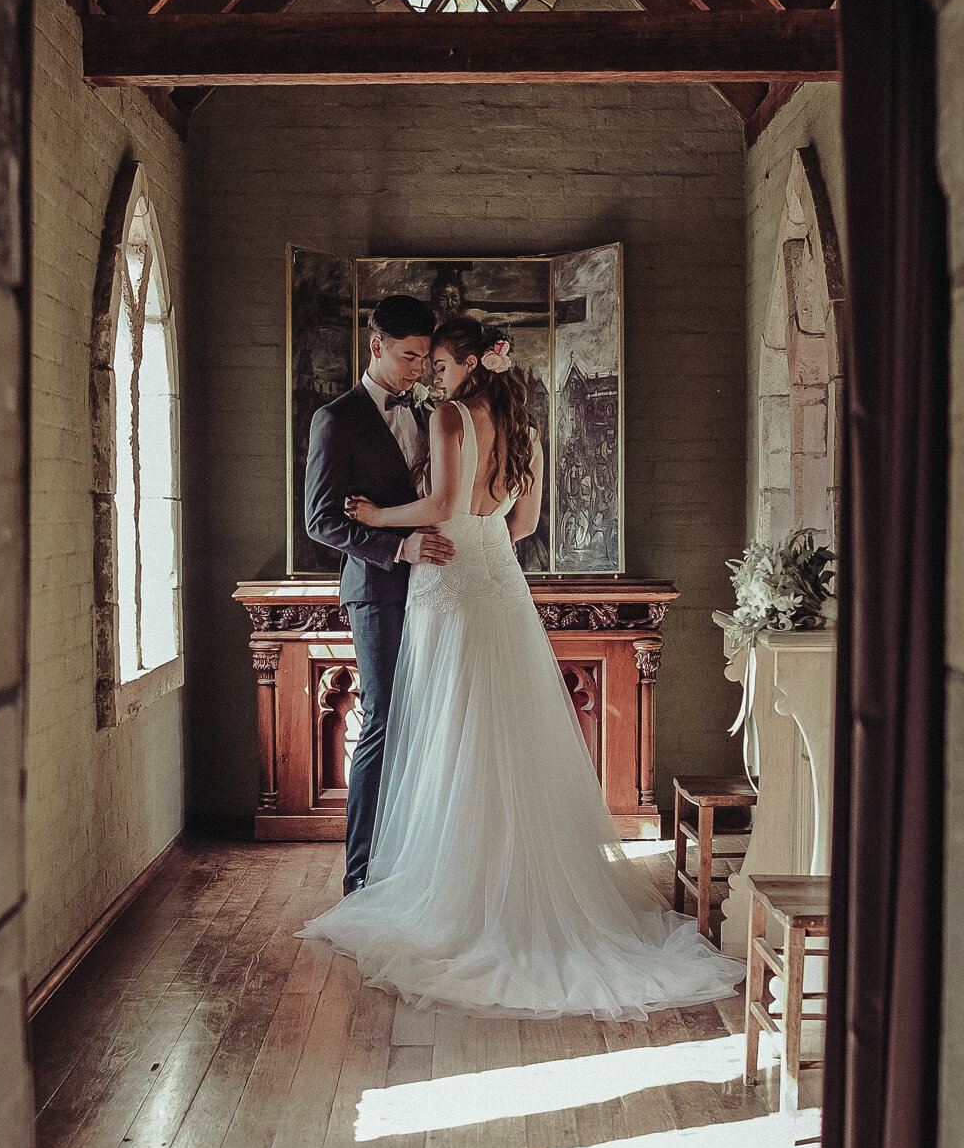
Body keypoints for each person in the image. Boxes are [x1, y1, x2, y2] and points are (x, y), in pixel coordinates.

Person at [302, 316, 743, 1019]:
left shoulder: (449, 415)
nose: (433, 375)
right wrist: (480, 541)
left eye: (439, 362)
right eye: (424, 361)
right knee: (505, 729)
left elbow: (444, 505)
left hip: (448, 583)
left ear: (469, 362)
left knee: (447, 729)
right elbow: (525, 523)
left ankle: (453, 889)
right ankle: (513, 882)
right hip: (498, 581)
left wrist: (382, 514)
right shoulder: (528, 433)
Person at [304, 295, 454, 896]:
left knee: (426, 724)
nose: (418, 368)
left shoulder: (426, 412)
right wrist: (397, 548)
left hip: (436, 590)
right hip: (378, 589)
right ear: (376, 346)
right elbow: (321, 521)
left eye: (424, 357)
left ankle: (413, 867)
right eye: (408, 356)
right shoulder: (335, 419)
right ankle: (360, 879)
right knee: (383, 724)